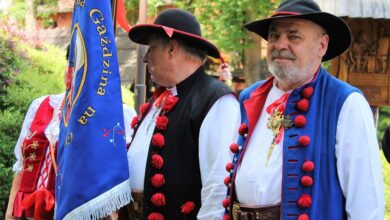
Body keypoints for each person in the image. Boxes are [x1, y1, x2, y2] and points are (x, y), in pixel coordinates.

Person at [222, 0, 385, 219]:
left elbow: (366, 204)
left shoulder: (346, 103)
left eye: (293, 36)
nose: (280, 44)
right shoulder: (250, 97)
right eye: (274, 35)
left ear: (322, 45)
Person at [126, 8, 240, 220]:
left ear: (171, 49)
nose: (145, 58)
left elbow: (217, 187)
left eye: (151, 49)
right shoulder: (158, 100)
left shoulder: (216, 100)